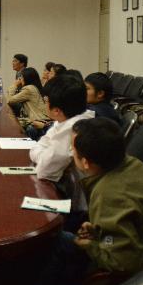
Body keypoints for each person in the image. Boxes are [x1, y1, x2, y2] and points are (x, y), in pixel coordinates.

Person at [34, 118, 143, 285]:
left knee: (53, 242)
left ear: (85, 162)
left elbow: (124, 263)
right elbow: (129, 223)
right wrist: (99, 231)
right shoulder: (131, 164)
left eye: (73, 150)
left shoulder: (109, 194)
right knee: (59, 240)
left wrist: (90, 245)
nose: (71, 153)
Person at [29, 75, 94, 219]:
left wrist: (40, 154)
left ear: (57, 110)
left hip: (79, 209)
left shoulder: (74, 127)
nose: (44, 103)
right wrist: (42, 154)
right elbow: (42, 143)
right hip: (70, 193)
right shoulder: (67, 119)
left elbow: (45, 170)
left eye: (46, 101)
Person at [7, 68, 50, 138]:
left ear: (26, 78)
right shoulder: (34, 87)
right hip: (41, 119)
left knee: (10, 123)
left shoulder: (29, 89)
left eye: (21, 77)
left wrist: (14, 85)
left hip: (37, 121)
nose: (20, 80)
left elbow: (9, 100)